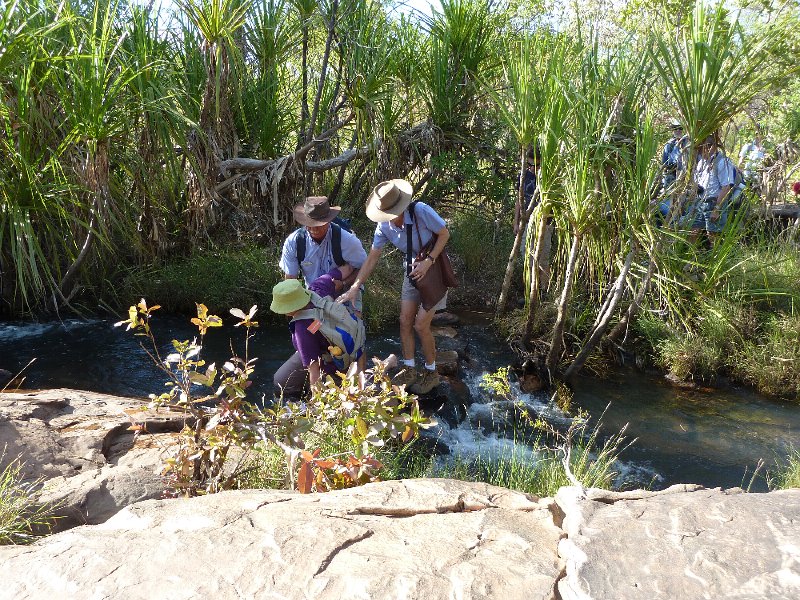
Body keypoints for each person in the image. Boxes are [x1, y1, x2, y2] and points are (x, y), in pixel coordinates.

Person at [337, 179, 450, 395]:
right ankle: (409, 368)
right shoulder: (384, 227)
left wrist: (429, 261)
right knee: (404, 321)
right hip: (412, 274)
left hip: (434, 273)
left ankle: (431, 372)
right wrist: (355, 287)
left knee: (420, 326)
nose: (389, 218)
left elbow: (444, 234)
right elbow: (372, 258)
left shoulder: (421, 211)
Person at [271, 266, 364, 398]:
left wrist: (317, 404)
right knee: (284, 376)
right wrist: (344, 284)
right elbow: (349, 268)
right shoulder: (319, 287)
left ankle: (388, 363)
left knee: (282, 382)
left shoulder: (302, 328)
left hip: (333, 363)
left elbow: (314, 372)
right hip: (354, 344)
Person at [279, 195, 367, 312]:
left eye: (319, 224)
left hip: (346, 291)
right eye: (310, 224)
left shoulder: (347, 240)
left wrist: (344, 283)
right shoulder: (294, 242)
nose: (314, 228)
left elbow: (364, 268)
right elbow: (290, 280)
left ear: (328, 221)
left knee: (349, 327)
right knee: (310, 328)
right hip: (313, 294)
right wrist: (294, 307)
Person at [689, 133, 736, 242]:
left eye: (702, 148)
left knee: (713, 235)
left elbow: (727, 186)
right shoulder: (702, 162)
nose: (700, 152)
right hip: (700, 202)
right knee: (693, 231)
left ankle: (716, 257)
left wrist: (717, 208)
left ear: (711, 146)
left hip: (714, 203)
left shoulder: (722, 161)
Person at [661, 120, 685, 193]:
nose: (678, 130)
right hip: (672, 178)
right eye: (675, 128)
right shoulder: (669, 145)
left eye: (680, 128)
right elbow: (664, 165)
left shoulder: (689, 143)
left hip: (686, 178)